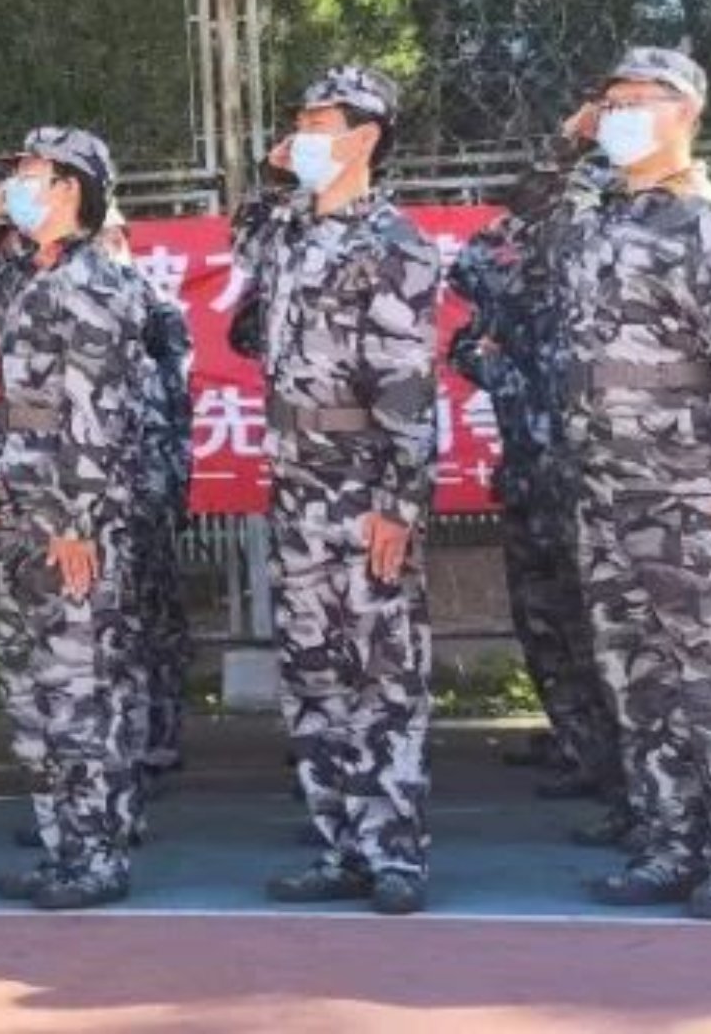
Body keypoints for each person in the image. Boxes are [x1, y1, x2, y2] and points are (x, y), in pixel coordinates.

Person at [551, 47, 711, 920]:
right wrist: (570, 141)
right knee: (637, 674)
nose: (615, 114)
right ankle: (667, 838)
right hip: (607, 486)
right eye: (608, 100)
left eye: (635, 100)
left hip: (696, 488)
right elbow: (539, 208)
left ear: (684, 109)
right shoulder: (597, 219)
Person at [232, 66, 443, 915]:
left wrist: (399, 503)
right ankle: (340, 843)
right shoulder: (287, 229)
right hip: (296, 485)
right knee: (313, 671)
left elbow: (407, 388)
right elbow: (243, 232)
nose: (301, 133)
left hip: (363, 483)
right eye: (299, 120)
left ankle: (393, 852)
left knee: (380, 672)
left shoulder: (394, 242)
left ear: (364, 136)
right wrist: (274, 169)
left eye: (318, 122)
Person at [0, 126, 154, 911]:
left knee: (80, 692)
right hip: (25, 518)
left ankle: (97, 855)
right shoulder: (32, 277)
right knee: (34, 694)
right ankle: (63, 847)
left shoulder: (95, 283)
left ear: (70, 187)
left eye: (30, 173)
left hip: (72, 522)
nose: (16, 185)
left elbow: (97, 417)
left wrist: (76, 521)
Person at [452, 155, 621, 810]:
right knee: (544, 621)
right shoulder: (519, 278)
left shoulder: (605, 275)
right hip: (529, 476)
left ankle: (623, 765)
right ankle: (581, 745)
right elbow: (467, 278)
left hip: (590, 484)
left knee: (596, 627)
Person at [100, 206, 197, 790]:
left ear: (117, 238)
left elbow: (178, 405)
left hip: (149, 483)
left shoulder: (156, 310)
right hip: (107, 487)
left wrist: (176, 487)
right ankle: (125, 739)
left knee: (155, 614)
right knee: (117, 618)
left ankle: (159, 732)